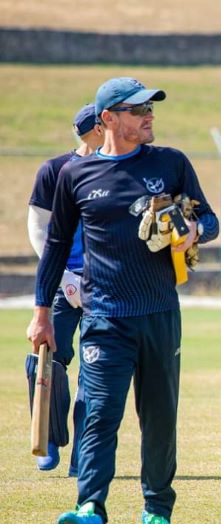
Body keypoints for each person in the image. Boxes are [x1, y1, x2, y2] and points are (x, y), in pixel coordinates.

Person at [27, 77, 219, 524]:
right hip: (104, 317)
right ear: (108, 119)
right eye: (138, 110)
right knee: (99, 414)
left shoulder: (170, 163)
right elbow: (55, 247)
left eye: (150, 108)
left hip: (158, 315)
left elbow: (209, 219)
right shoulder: (75, 175)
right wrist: (42, 314)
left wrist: (193, 231)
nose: (149, 115)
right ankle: (91, 508)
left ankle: (156, 511)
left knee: (158, 420)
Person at [26, 103, 104, 475]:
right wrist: (64, 279)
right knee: (43, 359)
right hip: (61, 284)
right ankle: (49, 439)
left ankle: (83, 458)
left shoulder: (116, 170)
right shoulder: (54, 170)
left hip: (103, 287)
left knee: (96, 370)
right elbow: (38, 229)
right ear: (96, 130)